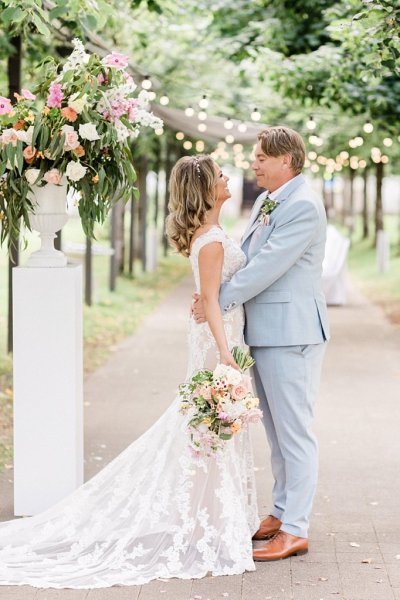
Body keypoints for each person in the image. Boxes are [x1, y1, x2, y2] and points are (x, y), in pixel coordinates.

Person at [0, 155, 260, 589]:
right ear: (204, 187)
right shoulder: (211, 238)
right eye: (219, 175)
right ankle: (214, 528)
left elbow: (208, 295)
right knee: (212, 428)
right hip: (219, 339)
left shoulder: (208, 233)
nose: (228, 177)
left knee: (207, 430)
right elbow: (212, 300)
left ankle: (213, 524)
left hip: (214, 333)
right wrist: (225, 354)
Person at [193, 126, 330, 561]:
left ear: (285, 160)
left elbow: (266, 267)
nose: (253, 165)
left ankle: (295, 529)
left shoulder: (303, 206)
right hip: (267, 333)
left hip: (292, 333)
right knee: (277, 433)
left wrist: (216, 299)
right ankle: (281, 512)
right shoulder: (272, 200)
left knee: (295, 433)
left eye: (260, 158)